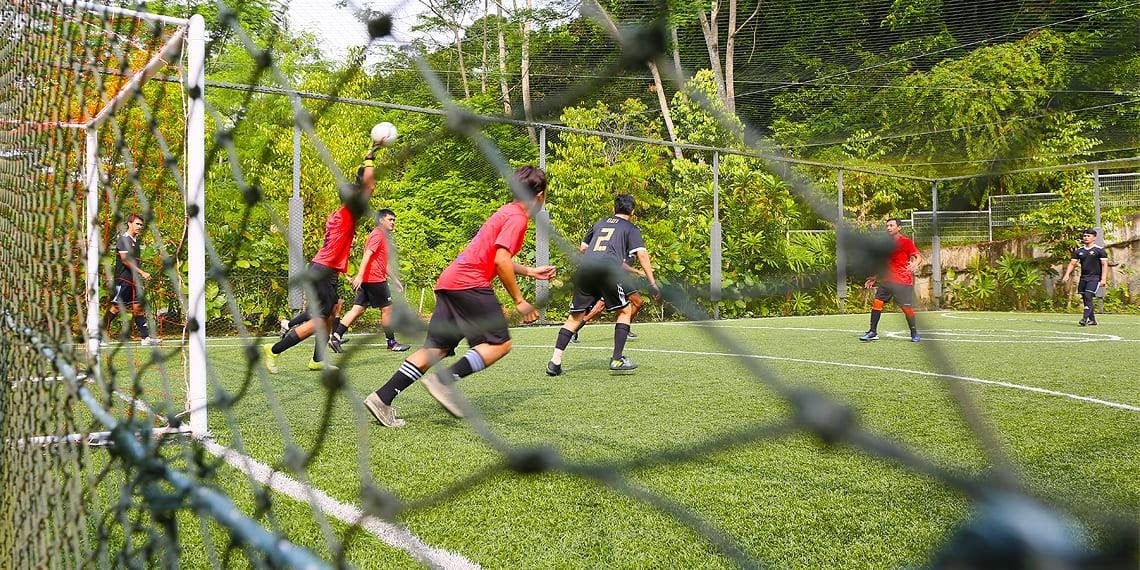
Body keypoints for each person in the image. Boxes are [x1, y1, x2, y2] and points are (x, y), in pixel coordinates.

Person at [364, 166, 555, 427]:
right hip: (470, 283)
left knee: (436, 349)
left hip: (451, 281)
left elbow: (496, 256)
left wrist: (530, 271)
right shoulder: (518, 217)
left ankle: (381, 398)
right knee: (500, 343)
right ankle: (444, 380)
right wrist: (520, 301)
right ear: (541, 195)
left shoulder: (504, 211)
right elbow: (500, 260)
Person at [263, 142, 381, 373]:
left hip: (325, 271)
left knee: (331, 313)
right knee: (319, 320)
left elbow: (364, 186)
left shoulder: (340, 214)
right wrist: (369, 158)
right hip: (322, 271)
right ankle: (273, 350)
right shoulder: (348, 214)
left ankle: (317, 359)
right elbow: (369, 186)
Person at [545, 193, 659, 376]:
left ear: (614, 209)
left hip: (585, 269)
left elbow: (583, 248)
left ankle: (554, 362)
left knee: (574, 318)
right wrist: (652, 282)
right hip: (608, 271)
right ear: (633, 211)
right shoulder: (631, 228)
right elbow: (642, 255)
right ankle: (617, 359)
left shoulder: (599, 223)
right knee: (624, 311)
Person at [328, 208, 411, 353]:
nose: (393, 222)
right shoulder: (378, 235)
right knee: (387, 310)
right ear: (381, 220)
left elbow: (382, 263)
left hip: (370, 278)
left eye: (394, 220)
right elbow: (367, 254)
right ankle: (391, 343)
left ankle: (335, 337)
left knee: (357, 309)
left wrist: (395, 280)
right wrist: (359, 276)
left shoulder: (382, 236)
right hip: (374, 279)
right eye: (390, 219)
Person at [859, 217, 922, 343]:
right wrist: (874, 277)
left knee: (906, 308)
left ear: (899, 228)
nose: (888, 228)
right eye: (887, 226)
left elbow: (917, 256)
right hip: (887, 280)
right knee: (877, 303)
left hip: (903, 281)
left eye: (891, 225)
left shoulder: (906, 242)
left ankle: (914, 332)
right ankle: (872, 331)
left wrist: (916, 263)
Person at [104, 213, 159, 346]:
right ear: (129, 224)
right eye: (137, 224)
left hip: (134, 280)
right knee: (115, 308)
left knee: (137, 307)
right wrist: (142, 272)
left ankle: (145, 338)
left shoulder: (136, 241)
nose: (140, 227)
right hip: (123, 279)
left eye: (141, 224)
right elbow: (125, 260)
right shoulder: (123, 239)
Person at [1061, 228, 1108, 326]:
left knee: (1088, 296)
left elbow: (1104, 265)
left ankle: (1084, 319)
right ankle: (1093, 320)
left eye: (1088, 236)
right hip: (1084, 278)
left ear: (1094, 238)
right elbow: (1072, 264)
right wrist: (1067, 274)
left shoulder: (1099, 250)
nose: (1086, 238)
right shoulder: (1079, 251)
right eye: (1084, 236)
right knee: (1085, 297)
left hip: (1095, 278)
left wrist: (1103, 279)